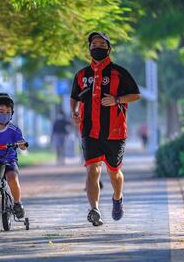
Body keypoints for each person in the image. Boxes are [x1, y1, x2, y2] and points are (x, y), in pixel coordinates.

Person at [70, 32, 141, 226]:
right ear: (89, 48)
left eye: (102, 43)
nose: (98, 46)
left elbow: (136, 95)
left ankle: (117, 198)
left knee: (113, 172)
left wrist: (117, 100)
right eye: (94, 43)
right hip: (89, 130)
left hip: (115, 131)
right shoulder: (82, 75)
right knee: (92, 170)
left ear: (108, 48)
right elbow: (74, 96)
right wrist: (74, 112)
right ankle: (94, 209)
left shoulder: (119, 73)